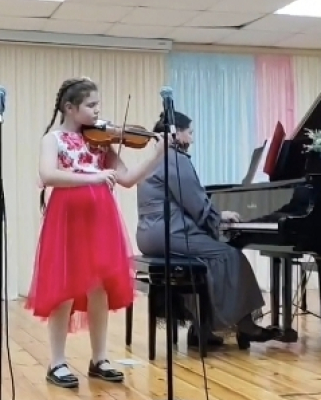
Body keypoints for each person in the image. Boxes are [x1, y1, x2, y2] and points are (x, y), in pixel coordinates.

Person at [26, 77, 168, 389]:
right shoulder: (53, 139)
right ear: (70, 108)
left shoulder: (101, 142)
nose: (97, 111)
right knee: (63, 287)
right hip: (67, 218)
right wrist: (92, 177)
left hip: (101, 218)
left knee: (99, 288)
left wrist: (156, 156)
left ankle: (99, 359)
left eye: (97, 105)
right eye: (91, 105)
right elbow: (48, 174)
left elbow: (127, 179)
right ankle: (57, 362)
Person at [135, 111, 282, 350]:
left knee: (205, 260)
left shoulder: (155, 159)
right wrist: (218, 216)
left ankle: (202, 328)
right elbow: (194, 201)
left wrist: (212, 219)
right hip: (169, 234)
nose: (192, 139)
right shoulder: (175, 159)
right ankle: (246, 326)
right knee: (230, 256)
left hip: (148, 236)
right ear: (176, 133)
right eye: (190, 133)